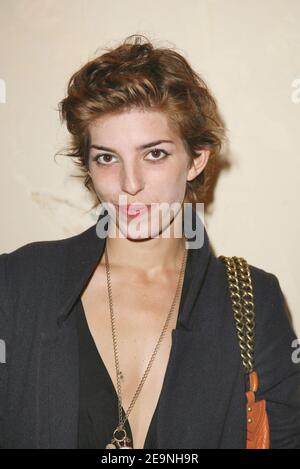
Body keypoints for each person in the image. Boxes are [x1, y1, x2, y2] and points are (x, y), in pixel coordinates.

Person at [0, 34, 299, 449]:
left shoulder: (252, 299)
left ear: (196, 159)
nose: (130, 184)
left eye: (154, 154)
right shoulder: (18, 283)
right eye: (107, 157)